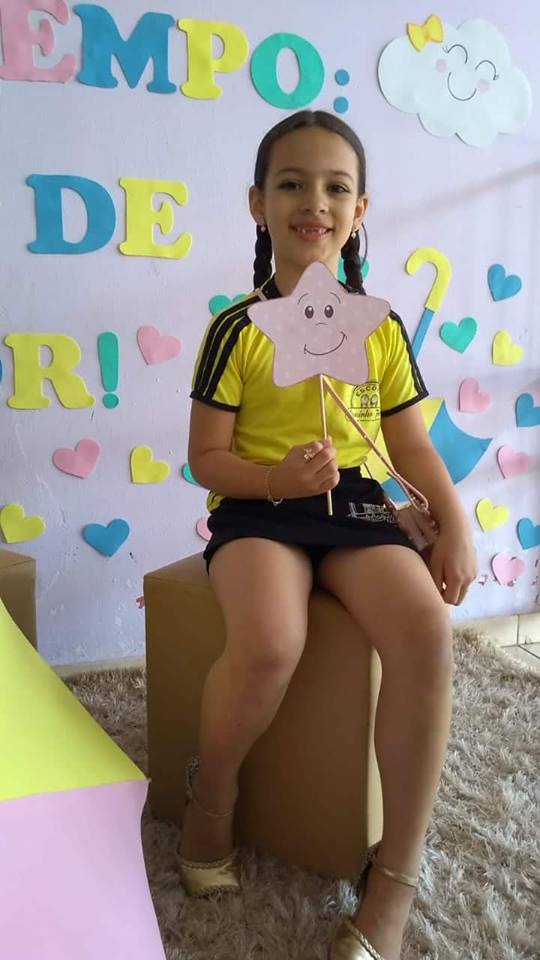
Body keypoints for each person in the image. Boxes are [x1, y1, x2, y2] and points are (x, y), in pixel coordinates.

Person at [177, 110, 477, 960]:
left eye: (336, 187)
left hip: (356, 508)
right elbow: (206, 458)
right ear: (258, 204)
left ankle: (396, 876)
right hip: (262, 509)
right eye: (292, 184)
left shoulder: (378, 328)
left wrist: (454, 522)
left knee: (426, 631)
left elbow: (410, 444)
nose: (315, 201)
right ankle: (212, 796)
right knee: (272, 641)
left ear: (359, 210)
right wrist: (278, 478)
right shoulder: (237, 329)